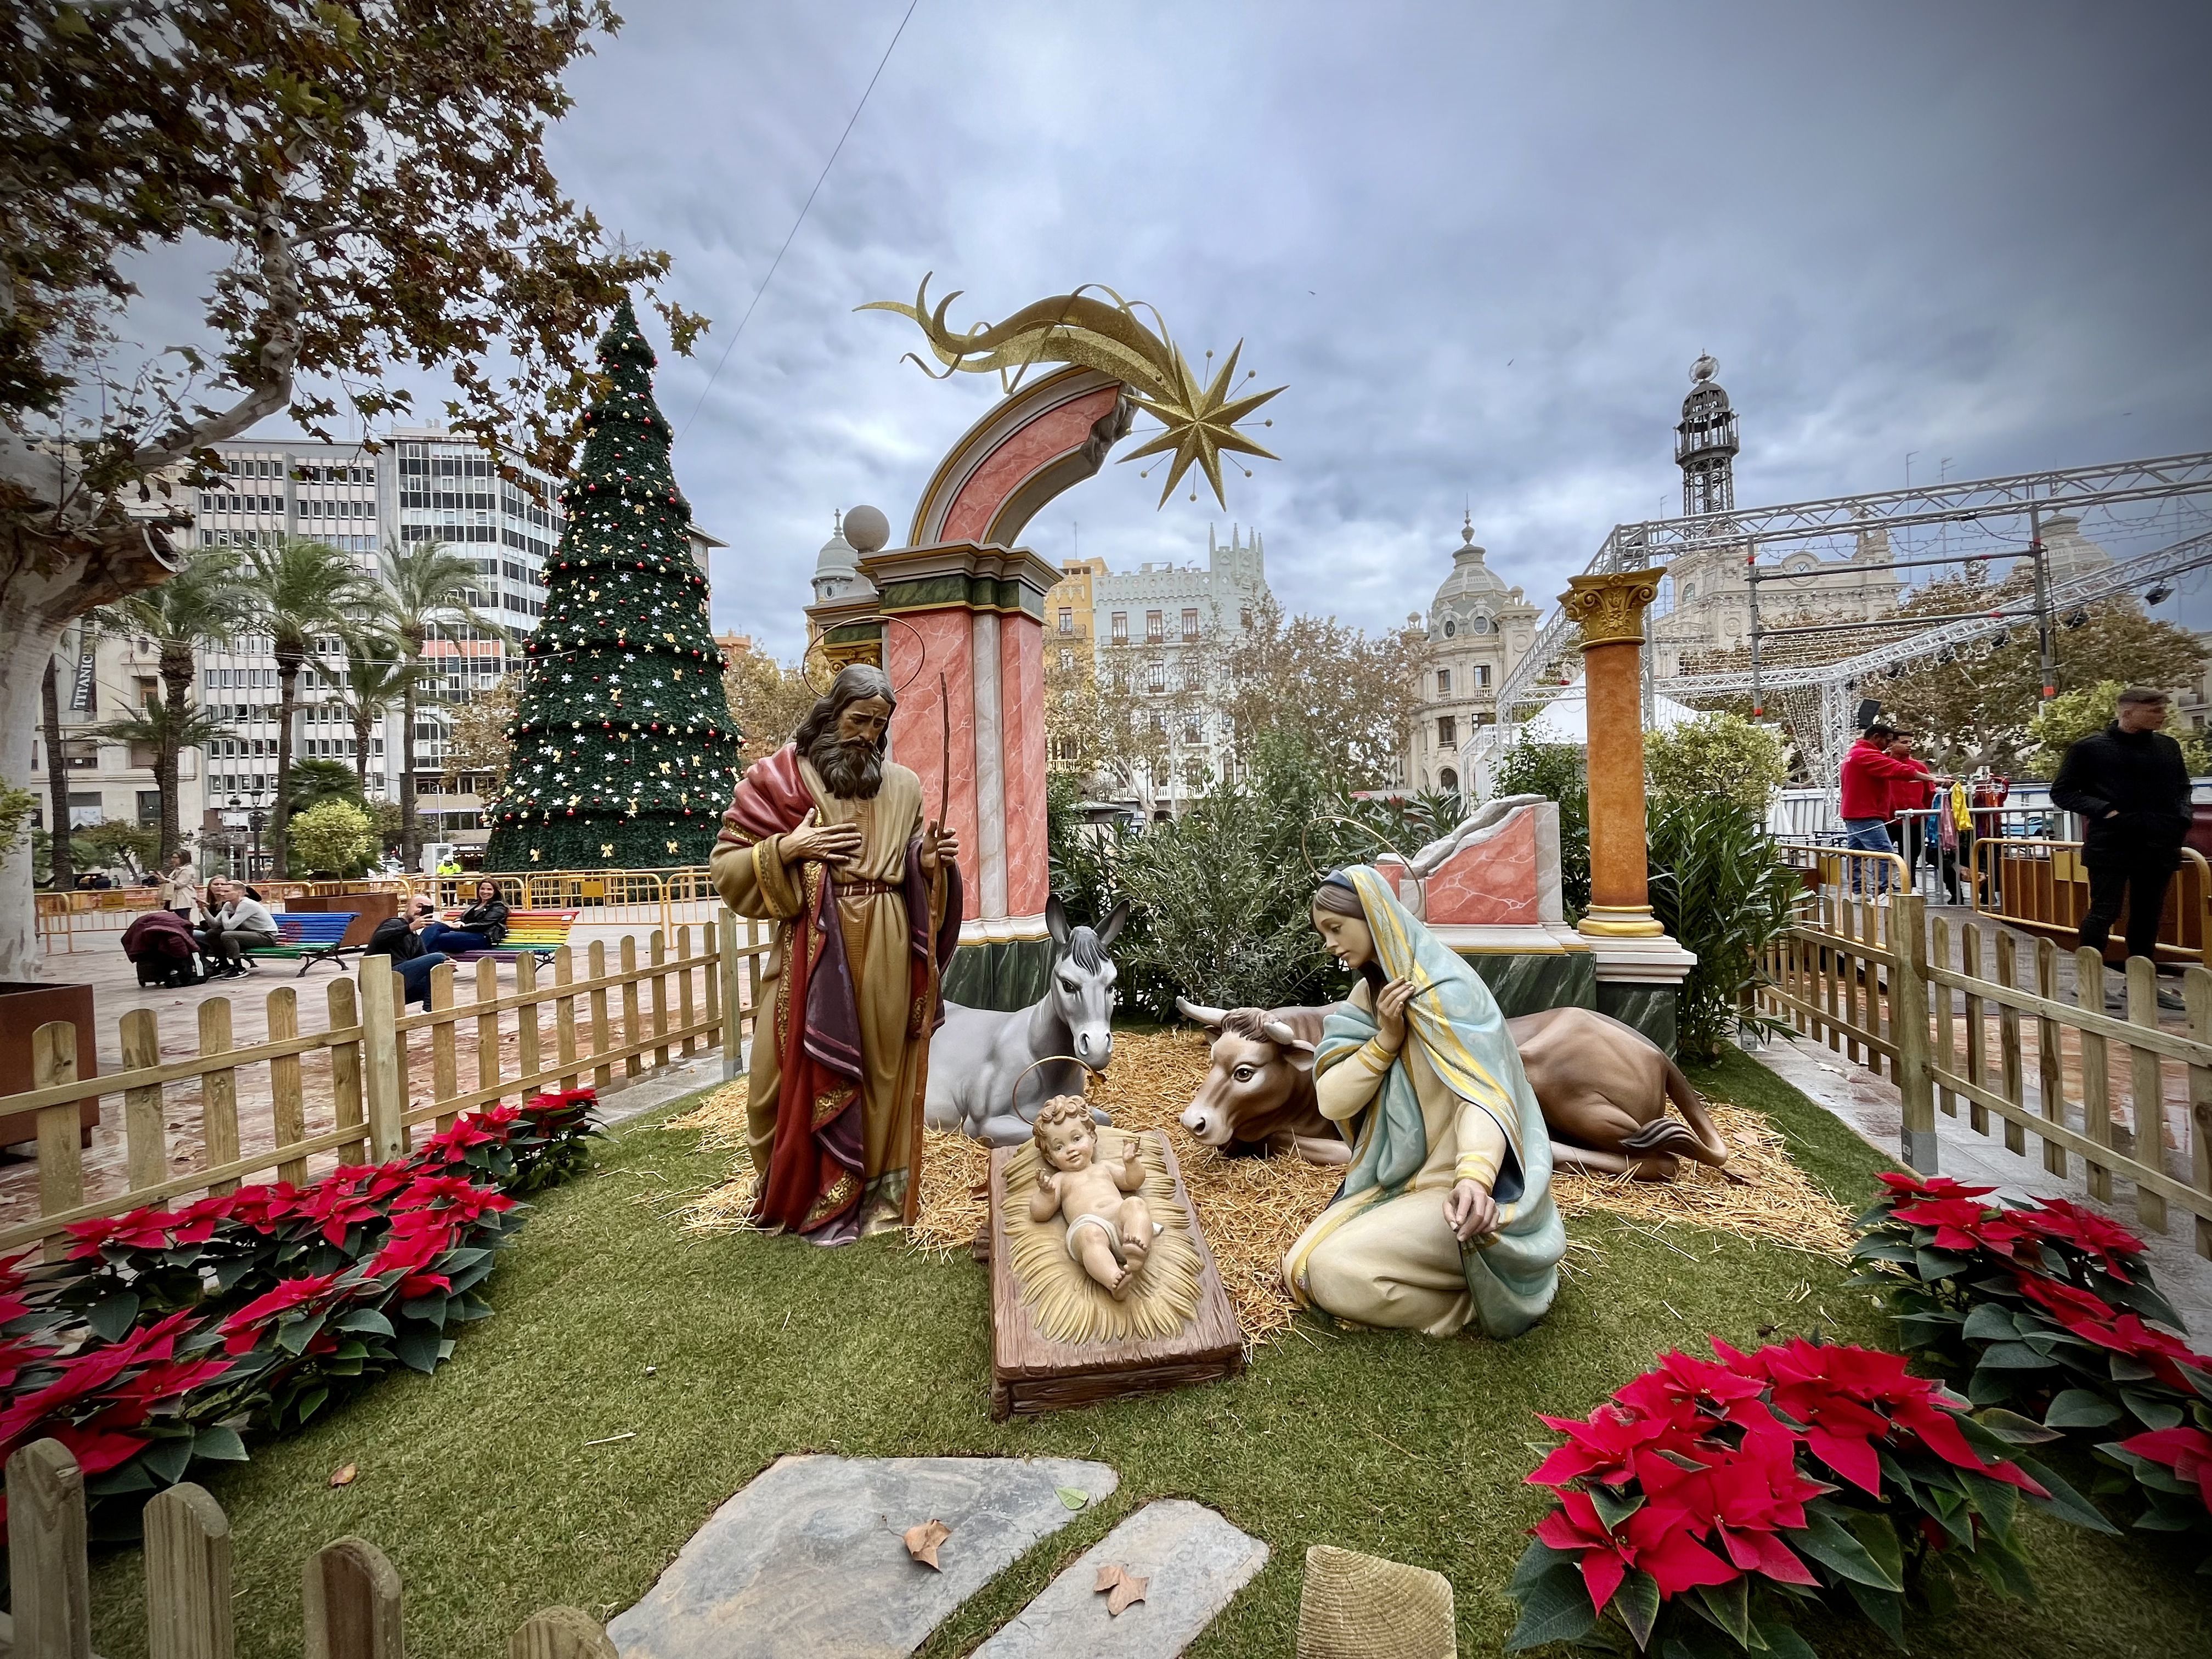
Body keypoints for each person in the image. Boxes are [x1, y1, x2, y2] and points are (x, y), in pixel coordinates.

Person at [708, 663, 963, 1242]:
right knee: (776, 1073)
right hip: (812, 946)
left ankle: (877, 1191)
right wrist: (788, 847)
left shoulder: (903, 785)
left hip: (889, 936)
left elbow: (912, 862)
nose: (867, 735)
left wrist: (929, 862)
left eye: (879, 724)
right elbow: (726, 867)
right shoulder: (779, 778)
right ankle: (796, 1190)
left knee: (882, 1065)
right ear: (831, 712)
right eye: (858, 720)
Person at [1281, 866, 1564, 1339]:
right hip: (1399, 1181)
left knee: (1332, 1272)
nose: (1329, 943)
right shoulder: (1368, 997)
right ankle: (1443, 1283)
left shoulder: (1448, 992)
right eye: (1322, 932)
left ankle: (1471, 1302)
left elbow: (1484, 1098)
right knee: (1300, 1268)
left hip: (1458, 1191)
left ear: (1372, 917)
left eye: (1336, 928)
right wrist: (1385, 1041)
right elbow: (1331, 1100)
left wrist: (1474, 1178)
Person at [2050, 687, 2193, 1001]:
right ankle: (2088, 979)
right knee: (2105, 911)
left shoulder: (2168, 747)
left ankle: (2140, 984)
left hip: (2159, 841)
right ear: (2128, 712)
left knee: (2149, 915)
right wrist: (2107, 811)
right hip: (2112, 842)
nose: (2163, 715)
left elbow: (2183, 788)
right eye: (2155, 710)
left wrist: (2181, 819)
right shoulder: (2089, 749)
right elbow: (2062, 792)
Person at [1028, 1099, 1155, 1301]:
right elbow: (1039, 1214)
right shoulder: (1060, 1179)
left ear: (1093, 1136)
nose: (1070, 1149)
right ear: (1051, 1159)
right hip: (1089, 1224)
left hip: (1118, 1219)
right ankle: (1114, 1279)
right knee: (1090, 1238)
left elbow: (1133, 1182)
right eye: (1059, 1147)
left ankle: (1137, 1248)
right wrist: (1046, 1194)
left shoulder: (1103, 1167)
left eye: (1077, 1139)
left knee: (1135, 1205)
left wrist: (1131, 1163)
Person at [1838, 723, 1944, 891]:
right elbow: (1898, 769)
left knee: (1857, 854)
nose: (1889, 745)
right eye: (1888, 741)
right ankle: (1882, 890)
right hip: (1868, 814)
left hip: (1858, 813)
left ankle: (1857, 890)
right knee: (1885, 853)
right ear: (1875, 738)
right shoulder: (1867, 755)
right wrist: (1932, 778)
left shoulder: (1854, 754)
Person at [363, 895, 452, 1007]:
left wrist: (445, 965)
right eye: (419, 906)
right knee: (439, 956)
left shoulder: (416, 938)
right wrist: (410, 928)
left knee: (439, 977)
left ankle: (429, 1010)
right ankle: (427, 1011)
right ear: (407, 907)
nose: (420, 911)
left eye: (426, 909)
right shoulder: (394, 923)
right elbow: (379, 938)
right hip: (379, 979)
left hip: (398, 981)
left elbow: (426, 961)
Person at [195, 877, 278, 977]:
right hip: (251, 935)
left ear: (239, 893)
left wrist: (225, 912)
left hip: (267, 937)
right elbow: (214, 924)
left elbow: (229, 927)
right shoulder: (229, 905)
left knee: (227, 935)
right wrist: (203, 909)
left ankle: (239, 968)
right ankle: (224, 966)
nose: (223, 894)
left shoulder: (247, 904)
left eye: (227, 891)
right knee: (212, 933)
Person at [1885, 732, 1936, 894]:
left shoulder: (1920, 767)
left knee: (1912, 856)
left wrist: (1923, 812)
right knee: (1884, 854)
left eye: (1910, 742)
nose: (1909, 745)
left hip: (1915, 820)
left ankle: (1910, 887)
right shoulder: (1884, 765)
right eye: (1905, 742)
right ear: (1892, 744)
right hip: (1889, 819)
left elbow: (1930, 794)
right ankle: (1884, 886)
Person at [419, 879, 510, 955]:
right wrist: (457, 922)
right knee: (433, 926)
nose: (485, 892)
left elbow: (483, 925)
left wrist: (461, 927)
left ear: (495, 892)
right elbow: (462, 917)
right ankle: (423, 961)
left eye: (489, 889)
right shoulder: (475, 903)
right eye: (482, 889)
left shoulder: (498, 907)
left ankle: (416, 956)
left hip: (482, 938)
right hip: (464, 934)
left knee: (439, 938)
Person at [157, 851, 199, 919]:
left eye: (175, 858)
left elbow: (179, 884)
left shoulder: (187, 870)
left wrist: (165, 880)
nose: (173, 860)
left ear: (183, 858)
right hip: (176, 900)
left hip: (184, 899)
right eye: (172, 857)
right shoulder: (178, 869)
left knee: (183, 920)